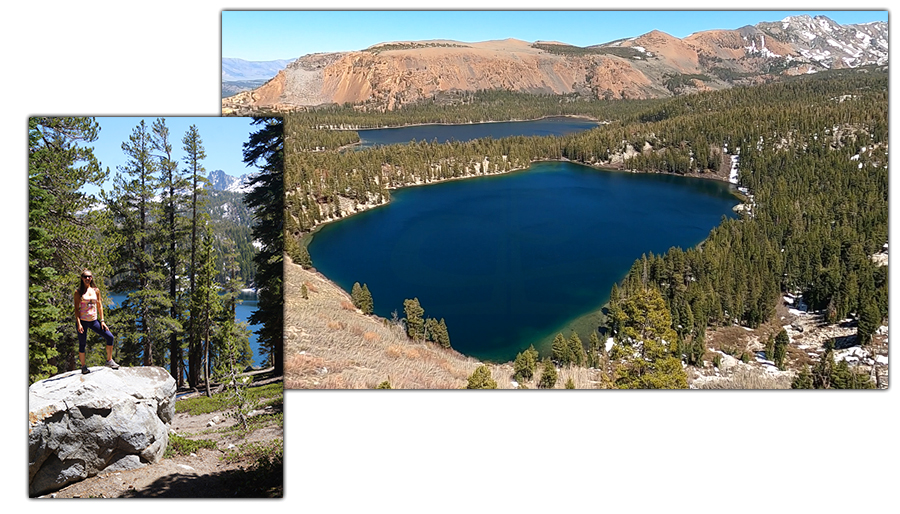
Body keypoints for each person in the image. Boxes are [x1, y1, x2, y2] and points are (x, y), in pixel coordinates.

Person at [75, 269, 119, 374]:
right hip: (83, 321)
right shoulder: (78, 292)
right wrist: (79, 323)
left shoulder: (96, 290)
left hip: (94, 321)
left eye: (89, 276)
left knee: (110, 337)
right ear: (82, 278)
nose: (87, 278)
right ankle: (83, 367)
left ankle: (109, 360)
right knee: (82, 344)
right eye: (85, 276)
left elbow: (99, 306)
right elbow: (76, 309)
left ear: (91, 278)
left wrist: (102, 321)